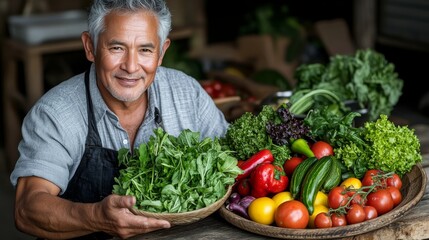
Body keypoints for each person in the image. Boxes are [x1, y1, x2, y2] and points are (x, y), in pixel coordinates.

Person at [9, 0, 229, 239]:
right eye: (117, 48)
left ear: (162, 52)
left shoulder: (186, 93)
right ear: (90, 47)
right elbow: (27, 209)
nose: (131, 66)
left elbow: (231, 164)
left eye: (145, 50)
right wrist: (96, 217)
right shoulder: (56, 113)